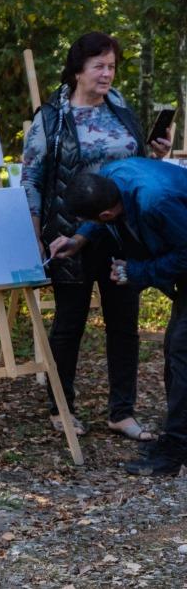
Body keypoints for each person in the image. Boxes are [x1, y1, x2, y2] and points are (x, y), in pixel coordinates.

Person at [21, 31, 172, 439]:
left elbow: (136, 163)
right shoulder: (51, 119)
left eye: (111, 66)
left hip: (123, 233)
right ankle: (61, 407)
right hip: (68, 233)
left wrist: (159, 152)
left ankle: (121, 411)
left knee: (125, 322)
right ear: (77, 71)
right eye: (99, 67)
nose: (107, 74)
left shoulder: (120, 106)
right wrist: (35, 236)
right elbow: (31, 179)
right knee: (69, 322)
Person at [53, 158, 187, 475]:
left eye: (94, 221)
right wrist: (80, 238)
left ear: (106, 214)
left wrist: (136, 271)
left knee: (182, 352)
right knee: (175, 351)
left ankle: (175, 452)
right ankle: (178, 439)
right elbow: (100, 219)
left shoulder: (156, 201)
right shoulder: (112, 176)